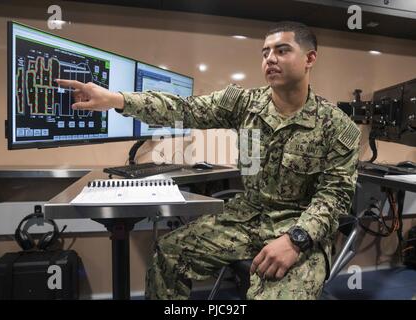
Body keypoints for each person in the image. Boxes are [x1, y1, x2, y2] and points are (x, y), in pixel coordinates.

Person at [56, 21, 360, 300]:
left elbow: (334, 196)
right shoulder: (245, 103)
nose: (270, 59)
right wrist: (116, 100)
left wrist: (296, 240)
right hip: (247, 216)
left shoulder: (336, 125)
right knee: (168, 254)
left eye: (282, 51)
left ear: (310, 59)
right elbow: (184, 109)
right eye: (265, 52)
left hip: (298, 225)